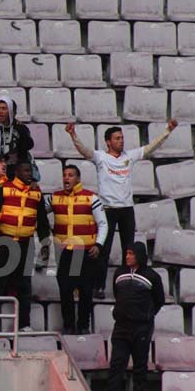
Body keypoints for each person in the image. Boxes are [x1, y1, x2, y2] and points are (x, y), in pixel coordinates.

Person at [66, 119, 178, 298]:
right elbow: (84, 150)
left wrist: (168, 131)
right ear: (108, 142)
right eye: (117, 138)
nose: (121, 141)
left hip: (127, 209)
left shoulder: (129, 156)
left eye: (122, 138)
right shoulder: (101, 157)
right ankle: (99, 287)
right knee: (103, 249)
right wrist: (73, 134)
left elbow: (151, 147)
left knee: (129, 250)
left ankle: (126, 287)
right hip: (107, 209)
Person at [0, 162, 51, 332]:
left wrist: (45, 242)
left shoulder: (36, 193)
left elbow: (42, 221)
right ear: (17, 172)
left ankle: (24, 324)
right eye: (26, 170)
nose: (30, 174)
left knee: (24, 286)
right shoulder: (4, 189)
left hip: (26, 243)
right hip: (4, 242)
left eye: (31, 171)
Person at [99, 242, 164, 391]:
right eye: (126, 253)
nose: (127, 256)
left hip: (141, 328)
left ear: (140, 256)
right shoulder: (119, 273)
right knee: (117, 363)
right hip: (121, 326)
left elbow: (159, 300)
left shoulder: (153, 276)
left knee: (140, 365)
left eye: (131, 254)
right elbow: (117, 293)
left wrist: (146, 315)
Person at [44, 164, 108, 335]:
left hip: (86, 252)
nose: (66, 178)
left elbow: (103, 224)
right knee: (65, 290)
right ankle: (69, 326)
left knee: (86, 292)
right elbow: (38, 211)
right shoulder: (54, 198)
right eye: (64, 175)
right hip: (65, 253)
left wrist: (98, 245)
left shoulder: (91, 198)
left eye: (70, 175)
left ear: (78, 179)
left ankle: (83, 326)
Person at [0, 95, 34, 175]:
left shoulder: (20, 127)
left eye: (4, 108)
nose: (0, 111)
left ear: (10, 111)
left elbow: (29, 146)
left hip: (16, 174)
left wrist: (22, 131)